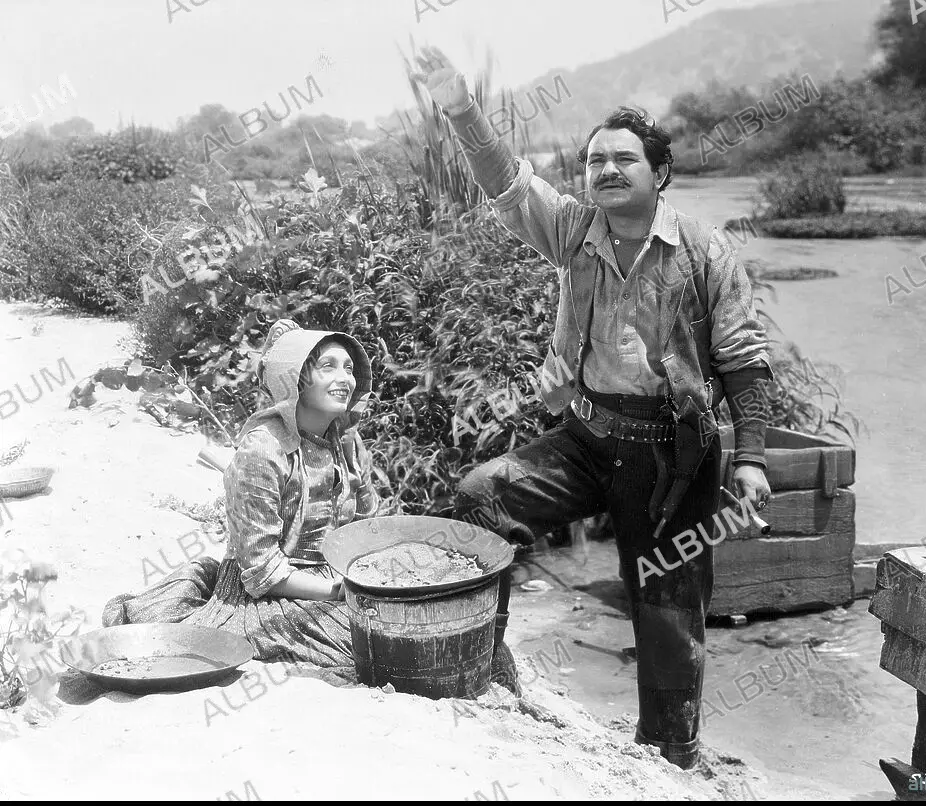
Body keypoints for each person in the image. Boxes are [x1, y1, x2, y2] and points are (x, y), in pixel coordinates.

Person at [415, 47, 774, 769]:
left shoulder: (702, 251)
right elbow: (505, 180)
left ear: (659, 173)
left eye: (623, 159)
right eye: (595, 160)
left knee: (669, 606)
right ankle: (482, 672)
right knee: (483, 496)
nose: (606, 170)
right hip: (586, 436)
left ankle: (670, 754)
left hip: (674, 457)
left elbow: (742, 358)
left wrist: (753, 460)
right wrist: (460, 108)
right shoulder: (572, 230)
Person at [102, 320, 382, 680]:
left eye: (349, 368)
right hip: (267, 594)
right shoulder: (263, 449)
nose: (345, 379)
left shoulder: (346, 442)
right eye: (328, 366)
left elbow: (366, 529)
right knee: (367, 642)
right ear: (295, 379)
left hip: (336, 579)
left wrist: (359, 491)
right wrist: (335, 592)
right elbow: (263, 571)